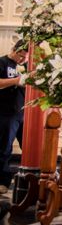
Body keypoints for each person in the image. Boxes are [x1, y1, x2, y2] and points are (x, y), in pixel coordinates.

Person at [0, 41, 28, 194]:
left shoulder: (28, 66)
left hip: (24, 112)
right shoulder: (2, 62)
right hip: (5, 112)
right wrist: (16, 81)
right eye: (21, 56)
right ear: (14, 50)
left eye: (26, 58)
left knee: (29, 146)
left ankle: (29, 180)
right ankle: (2, 182)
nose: (23, 60)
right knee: (4, 148)